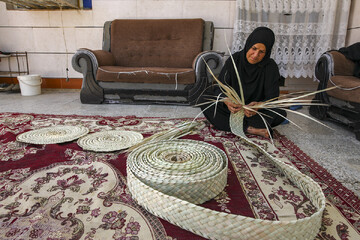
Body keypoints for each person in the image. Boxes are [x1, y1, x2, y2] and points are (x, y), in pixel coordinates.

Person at [198, 27, 286, 138]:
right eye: (254, 48)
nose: (255, 55)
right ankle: (250, 129)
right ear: (249, 44)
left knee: (280, 113)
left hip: (253, 113)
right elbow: (219, 88)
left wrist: (258, 106)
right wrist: (227, 101)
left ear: (267, 52)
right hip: (232, 110)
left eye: (261, 52)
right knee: (205, 99)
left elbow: (272, 98)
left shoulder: (270, 67)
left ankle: (235, 125)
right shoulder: (234, 60)